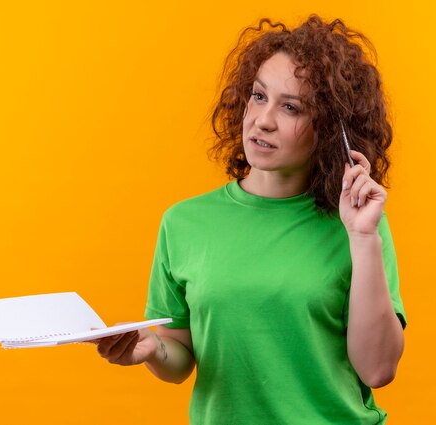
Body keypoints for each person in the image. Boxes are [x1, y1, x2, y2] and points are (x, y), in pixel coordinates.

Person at [94, 15, 406, 424]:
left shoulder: (359, 226)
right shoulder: (183, 223)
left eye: (291, 107)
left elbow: (378, 370)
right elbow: (181, 357)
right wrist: (152, 350)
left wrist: (363, 237)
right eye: (259, 96)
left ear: (330, 131)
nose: (263, 120)